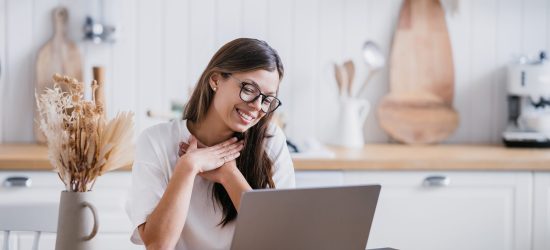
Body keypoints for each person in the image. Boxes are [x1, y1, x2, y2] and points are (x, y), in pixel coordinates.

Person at [126, 38, 296, 250]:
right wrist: (188, 167)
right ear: (215, 80)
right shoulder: (156, 141)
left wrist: (229, 175)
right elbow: (159, 245)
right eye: (249, 89)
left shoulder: (270, 140)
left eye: (267, 99)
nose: (257, 106)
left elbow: (278, 240)